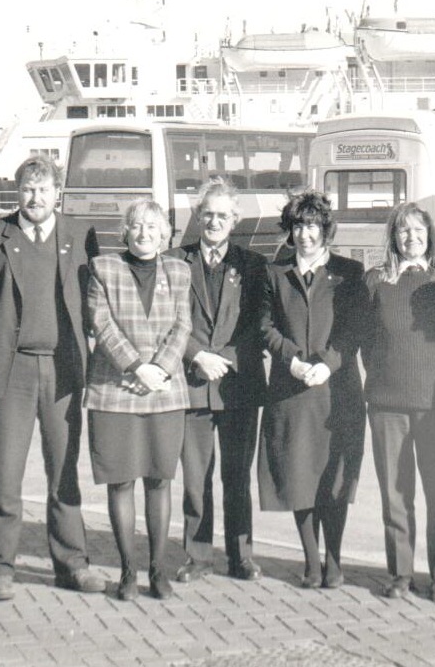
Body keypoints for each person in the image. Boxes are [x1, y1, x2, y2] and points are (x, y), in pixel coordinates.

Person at [0, 155, 104, 601]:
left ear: (57, 192)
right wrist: (2, 338)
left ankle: (72, 564)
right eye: (26, 188)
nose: (34, 197)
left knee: (63, 473)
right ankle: (1, 568)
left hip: (63, 371)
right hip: (12, 373)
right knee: (6, 475)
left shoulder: (80, 236)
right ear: (16, 192)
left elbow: (93, 298)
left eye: (43, 189)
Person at [361, 202, 435, 601]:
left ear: (430, 235)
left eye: (418, 230)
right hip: (387, 404)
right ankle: (400, 573)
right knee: (396, 493)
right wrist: (381, 376)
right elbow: (365, 340)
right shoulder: (376, 281)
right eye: (403, 231)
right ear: (393, 236)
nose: (412, 238)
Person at [257, 190, 366, 589]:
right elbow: (264, 327)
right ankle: (311, 561)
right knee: (299, 474)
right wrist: (293, 360)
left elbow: (355, 328)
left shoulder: (350, 274)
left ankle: (334, 560)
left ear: (326, 229)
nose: (305, 235)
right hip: (291, 390)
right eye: (299, 226)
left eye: (313, 226)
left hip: (337, 392)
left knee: (333, 477)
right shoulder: (274, 273)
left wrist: (328, 363)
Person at [85, 199, 193, 601]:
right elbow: (101, 322)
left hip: (165, 392)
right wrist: (135, 367)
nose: (144, 233)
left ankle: (157, 570)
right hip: (116, 391)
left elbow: (183, 325)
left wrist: (160, 369)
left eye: (153, 226)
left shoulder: (181, 272)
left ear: (165, 233)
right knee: (121, 482)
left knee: (159, 481)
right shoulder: (103, 268)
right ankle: (128, 572)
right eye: (136, 226)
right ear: (125, 231)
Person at [164, 179, 267, 583]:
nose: (214, 221)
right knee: (195, 479)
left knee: (237, 476)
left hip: (237, 385)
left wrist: (221, 359)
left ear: (235, 220)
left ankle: (241, 557)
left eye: (223, 215)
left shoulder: (254, 265)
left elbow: (261, 323)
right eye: (208, 213)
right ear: (198, 215)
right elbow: (169, 319)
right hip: (191, 384)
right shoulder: (176, 261)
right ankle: (198, 557)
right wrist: (196, 356)